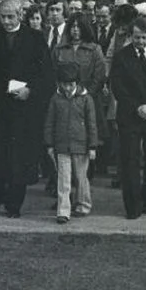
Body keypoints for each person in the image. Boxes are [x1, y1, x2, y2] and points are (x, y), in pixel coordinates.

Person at [0, 0, 54, 218]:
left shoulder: (35, 38)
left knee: (18, 157)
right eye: (3, 17)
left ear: (20, 15)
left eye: (11, 17)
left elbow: (46, 74)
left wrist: (30, 91)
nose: (7, 22)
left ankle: (14, 203)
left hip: (23, 110)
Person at [109, 16, 146, 219]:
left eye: (144, 38)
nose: (140, 42)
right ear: (131, 36)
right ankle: (132, 206)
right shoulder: (122, 57)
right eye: (137, 38)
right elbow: (118, 86)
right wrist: (137, 107)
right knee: (129, 160)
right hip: (130, 116)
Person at [52, 13, 107, 180]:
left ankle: (82, 189)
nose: (76, 30)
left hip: (87, 102)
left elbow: (99, 76)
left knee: (85, 145)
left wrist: (85, 96)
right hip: (63, 101)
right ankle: (63, 188)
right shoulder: (59, 49)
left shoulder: (94, 49)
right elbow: (53, 73)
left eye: (79, 27)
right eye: (73, 27)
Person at [44, 62, 99, 224]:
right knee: (63, 179)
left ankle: (83, 204)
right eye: (64, 84)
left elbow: (92, 124)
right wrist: (49, 144)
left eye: (71, 84)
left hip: (81, 146)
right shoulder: (55, 99)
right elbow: (49, 123)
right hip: (61, 145)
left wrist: (92, 146)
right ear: (59, 83)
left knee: (81, 177)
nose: (67, 88)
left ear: (77, 83)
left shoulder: (86, 99)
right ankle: (63, 210)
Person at [103, 3, 140, 188]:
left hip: (137, 90)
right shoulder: (117, 35)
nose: (122, 28)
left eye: (125, 24)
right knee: (117, 129)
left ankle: (133, 171)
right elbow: (109, 57)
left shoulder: (140, 34)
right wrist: (107, 78)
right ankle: (120, 171)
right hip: (117, 89)